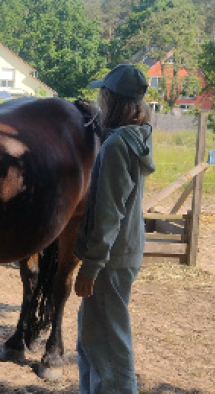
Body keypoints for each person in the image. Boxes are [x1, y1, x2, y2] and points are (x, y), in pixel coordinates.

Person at [73, 64, 155, 394]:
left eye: (102, 96)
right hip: (124, 252)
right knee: (95, 340)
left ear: (112, 101)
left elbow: (109, 213)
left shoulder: (118, 146)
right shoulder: (140, 137)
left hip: (110, 259)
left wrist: (90, 267)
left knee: (109, 347)